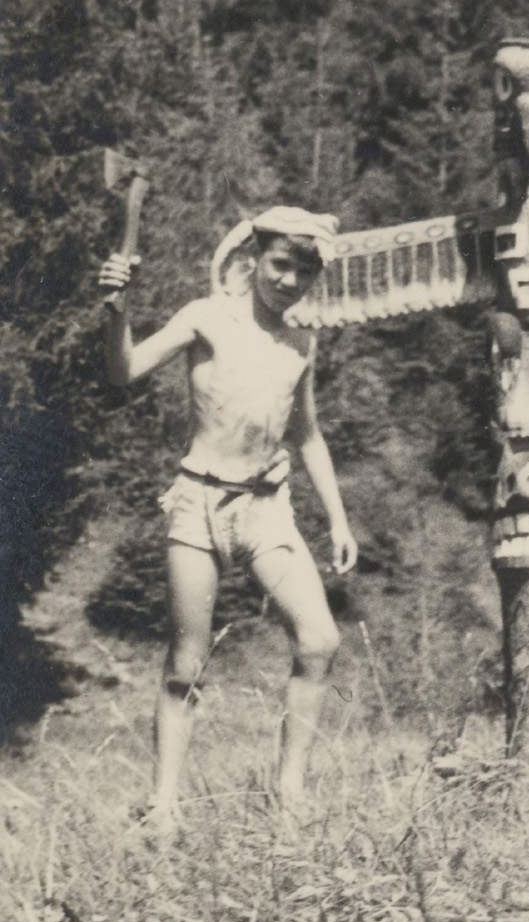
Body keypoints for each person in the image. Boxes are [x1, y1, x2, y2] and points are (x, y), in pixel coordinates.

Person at [97, 207, 358, 827]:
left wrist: (339, 520)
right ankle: (163, 806)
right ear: (254, 259)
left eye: (304, 272)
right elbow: (123, 371)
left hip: (267, 509)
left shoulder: (301, 343)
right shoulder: (207, 317)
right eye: (280, 265)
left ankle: (290, 794)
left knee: (320, 639)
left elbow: (308, 434)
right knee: (185, 666)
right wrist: (116, 311)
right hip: (198, 504)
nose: (289, 281)